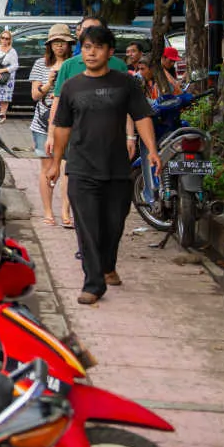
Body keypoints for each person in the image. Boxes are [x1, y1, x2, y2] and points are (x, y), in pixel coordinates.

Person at [49, 24, 160, 305]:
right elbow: (61, 127)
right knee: (87, 227)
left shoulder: (125, 83)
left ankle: (108, 265)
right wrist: (54, 163)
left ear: (110, 52)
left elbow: (142, 116)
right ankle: (93, 282)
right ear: (81, 50)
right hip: (81, 168)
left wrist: (152, 150)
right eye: (87, 47)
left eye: (98, 47)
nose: (92, 52)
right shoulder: (72, 86)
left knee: (113, 225)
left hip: (117, 169)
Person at [45, 16, 128, 158]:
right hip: (76, 139)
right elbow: (57, 104)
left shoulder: (119, 67)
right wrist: (52, 135)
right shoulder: (69, 66)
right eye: (85, 29)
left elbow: (129, 107)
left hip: (111, 141)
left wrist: (130, 136)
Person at [29, 24, 74, 227]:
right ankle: (48, 212)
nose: (59, 46)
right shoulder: (41, 64)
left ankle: (66, 212)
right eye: (56, 42)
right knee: (46, 167)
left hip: (69, 124)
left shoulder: (74, 65)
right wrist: (48, 83)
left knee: (68, 169)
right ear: (49, 45)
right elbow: (35, 95)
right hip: (42, 122)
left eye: (63, 42)